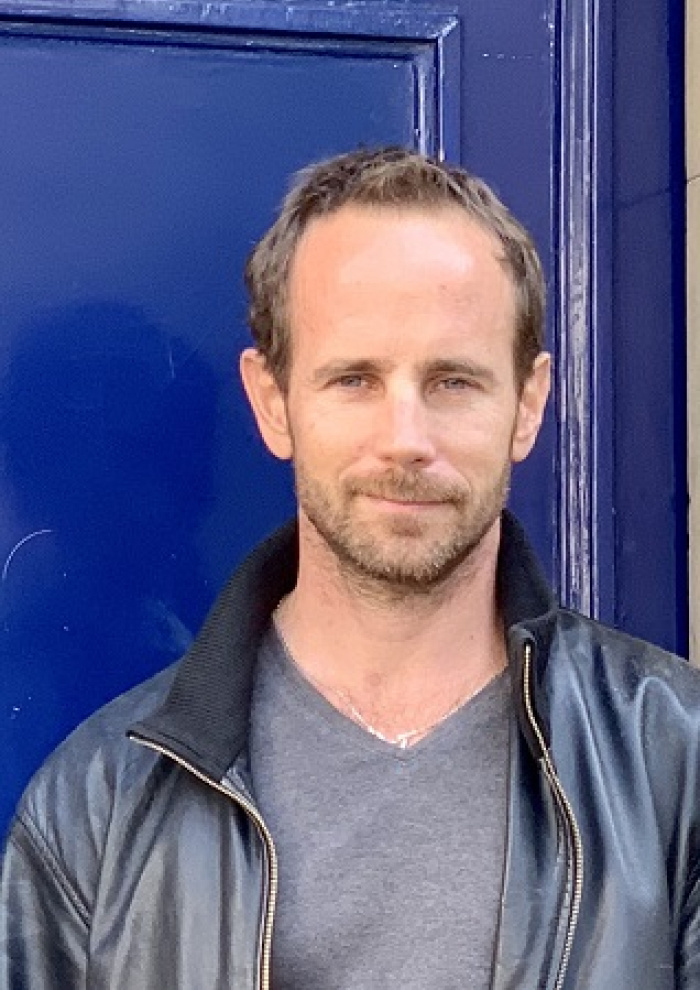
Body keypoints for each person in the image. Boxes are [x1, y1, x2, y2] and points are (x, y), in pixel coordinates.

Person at [1, 147, 699, 990]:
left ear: (527, 404)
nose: (406, 439)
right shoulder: (94, 807)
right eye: (355, 380)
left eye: (453, 381)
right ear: (272, 402)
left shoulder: (678, 761)